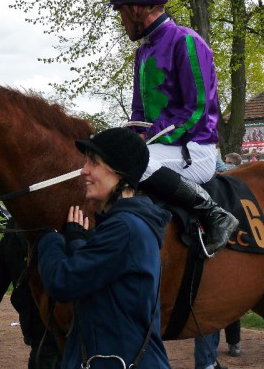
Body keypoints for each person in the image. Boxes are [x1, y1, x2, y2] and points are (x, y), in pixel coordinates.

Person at [107, 0, 237, 256]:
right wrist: (129, 137)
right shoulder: (143, 52)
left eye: (122, 11)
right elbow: (138, 114)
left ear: (138, 9)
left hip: (195, 148)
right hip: (163, 149)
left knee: (133, 163)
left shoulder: (186, 41)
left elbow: (197, 110)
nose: (121, 19)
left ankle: (214, 214)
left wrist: (147, 139)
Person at [38, 128, 172, 368]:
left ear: (120, 173)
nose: (84, 170)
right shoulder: (125, 224)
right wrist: (78, 240)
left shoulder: (124, 227)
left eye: (94, 162)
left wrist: (49, 239)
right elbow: (98, 276)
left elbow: (63, 281)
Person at [0, 226, 61, 369]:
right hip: (30, 304)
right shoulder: (14, 231)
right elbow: (0, 267)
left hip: (58, 305)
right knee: (42, 351)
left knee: (49, 353)